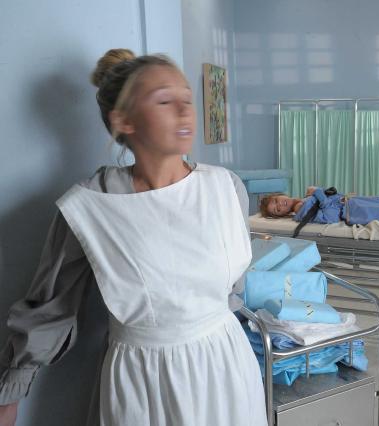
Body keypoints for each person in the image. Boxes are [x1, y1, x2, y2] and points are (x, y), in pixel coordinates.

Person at [0, 49, 267, 425]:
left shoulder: (226, 188)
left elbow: (229, 292)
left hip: (226, 367)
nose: (184, 111)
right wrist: (11, 392)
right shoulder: (90, 207)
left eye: (187, 98)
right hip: (144, 381)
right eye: (164, 101)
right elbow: (51, 308)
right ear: (123, 120)